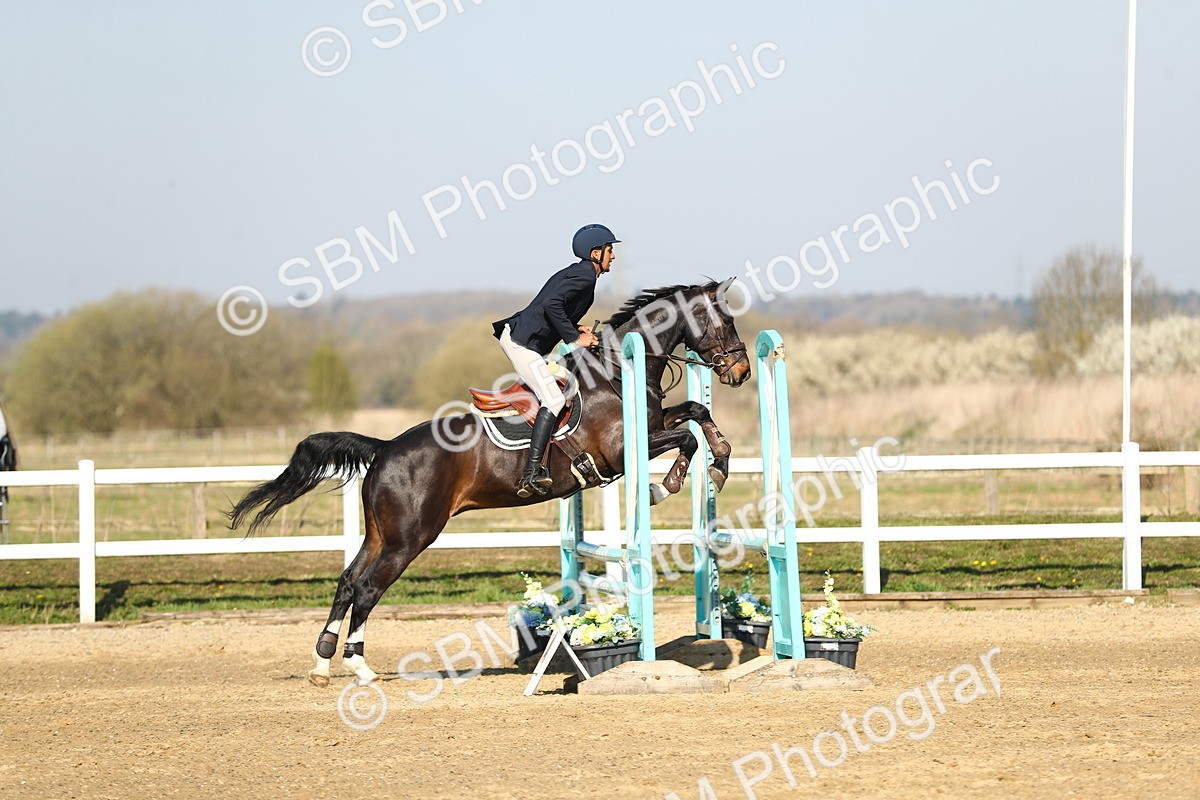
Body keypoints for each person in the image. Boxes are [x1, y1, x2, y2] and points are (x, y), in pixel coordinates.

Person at [491, 224, 619, 498]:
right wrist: (574, 337)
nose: (613, 256)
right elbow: (551, 306)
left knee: (559, 392)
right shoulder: (585, 276)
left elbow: (553, 305)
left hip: (527, 340)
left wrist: (577, 326)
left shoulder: (582, 274)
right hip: (521, 342)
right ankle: (532, 471)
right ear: (595, 253)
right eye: (610, 250)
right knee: (555, 400)